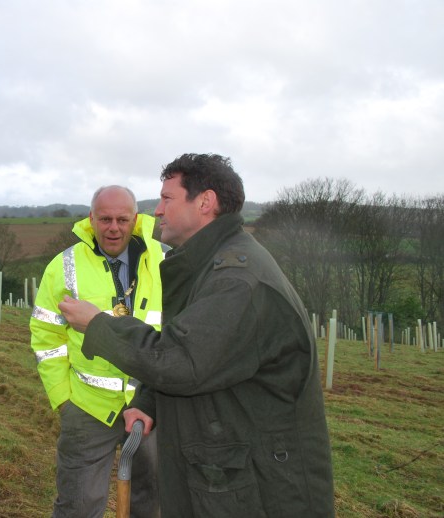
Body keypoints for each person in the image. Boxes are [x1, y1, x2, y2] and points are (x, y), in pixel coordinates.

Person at [58, 154, 335, 518]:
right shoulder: (212, 263)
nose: (156, 211)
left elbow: (181, 359)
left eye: (167, 199)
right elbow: (202, 350)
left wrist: (97, 325)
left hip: (258, 487)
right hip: (227, 467)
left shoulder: (237, 280)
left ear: (205, 202)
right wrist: (149, 401)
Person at [30, 185, 166, 517]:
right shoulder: (63, 266)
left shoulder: (167, 260)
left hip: (154, 405)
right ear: (91, 219)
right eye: (104, 219)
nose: (113, 227)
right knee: (78, 505)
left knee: (150, 504)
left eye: (122, 219)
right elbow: (46, 336)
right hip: (87, 409)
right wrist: (63, 398)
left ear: (136, 219)